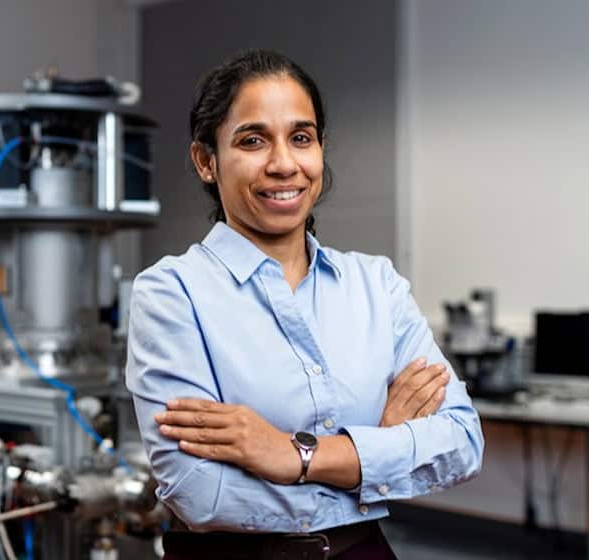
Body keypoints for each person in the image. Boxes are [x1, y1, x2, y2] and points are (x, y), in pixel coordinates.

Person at [125, 49, 484, 559]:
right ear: (207, 160)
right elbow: (201, 493)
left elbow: (462, 442)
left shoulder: (376, 285)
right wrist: (375, 451)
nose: (284, 164)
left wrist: (293, 455)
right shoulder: (172, 293)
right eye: (252, 140)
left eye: (301, 138)